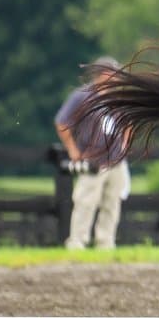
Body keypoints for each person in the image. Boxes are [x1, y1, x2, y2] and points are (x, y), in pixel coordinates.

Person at [54, 56, 131, 250]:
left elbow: (129, 122)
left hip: (115, 159)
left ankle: (105, 241)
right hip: (93, 158)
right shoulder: (82, 96)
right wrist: (73, 149)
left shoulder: (117, 98)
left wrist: (124, 145)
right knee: (86, 201)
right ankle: (78, 240)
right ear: (105, 74)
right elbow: (62, 122)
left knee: (112, 202)